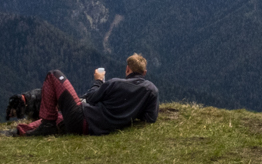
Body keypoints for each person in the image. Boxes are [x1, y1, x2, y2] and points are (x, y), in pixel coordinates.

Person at [17, 53, 159, 136]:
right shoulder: (151, 90)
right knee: (59, 117)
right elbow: (150, 118)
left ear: (127, 69)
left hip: (82, 119)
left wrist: (98, 81)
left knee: (53, 75)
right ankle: (21, 131)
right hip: (93, 128)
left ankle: (46, 125)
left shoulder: (115, 83)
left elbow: (91, 98)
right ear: (144, 73)